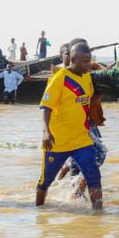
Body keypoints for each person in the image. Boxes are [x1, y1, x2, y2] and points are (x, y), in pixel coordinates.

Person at [36, 42, 102, 210]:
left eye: (89, 60)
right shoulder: (60, 78)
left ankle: (99, 215)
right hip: (58, 142)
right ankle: (39, 214)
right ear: (72, 59)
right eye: (84, 61)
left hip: (82, 140)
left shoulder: (87, 77)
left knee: (94, 176)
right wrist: (46, 132)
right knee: (45, 181)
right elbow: (45, 107)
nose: (88, 65)